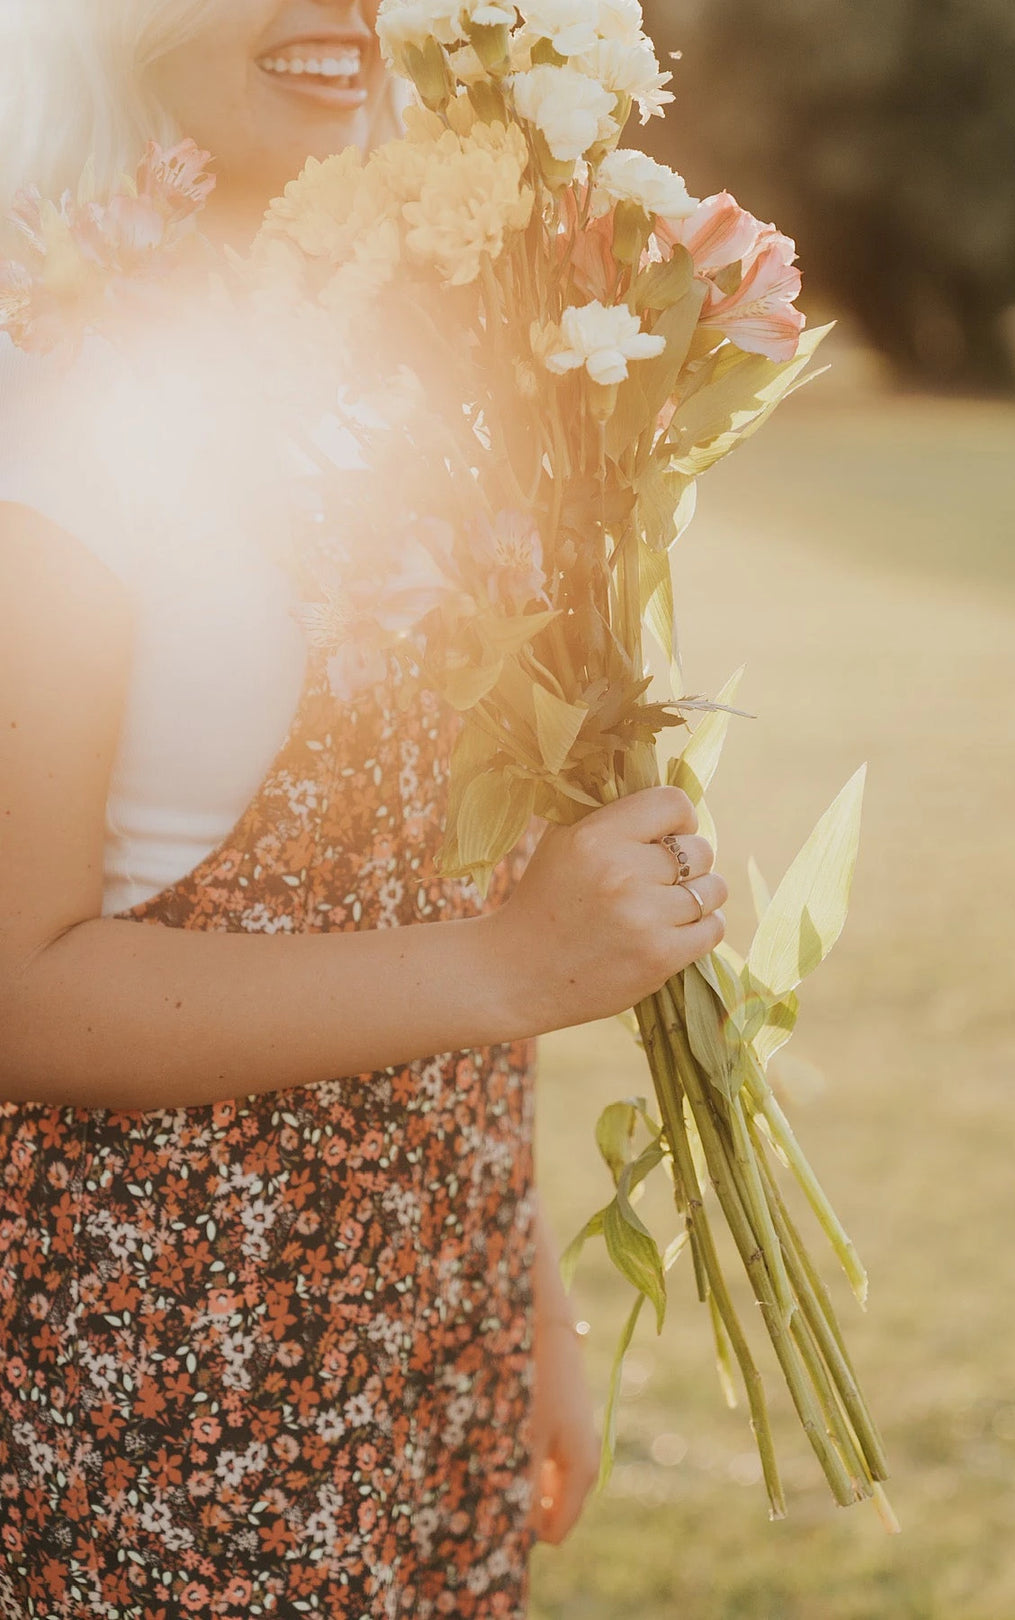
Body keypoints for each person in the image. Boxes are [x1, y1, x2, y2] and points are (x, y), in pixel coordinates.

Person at [0, 2, 729, 1615]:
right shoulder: (48, 413)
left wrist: (518, 1293)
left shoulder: (405, 383)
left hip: (423, 1316)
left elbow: (423, 875)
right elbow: (9, 988)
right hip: (164, 1383)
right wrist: (514, 967)